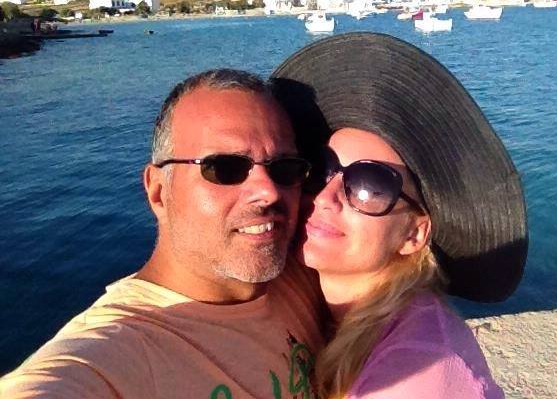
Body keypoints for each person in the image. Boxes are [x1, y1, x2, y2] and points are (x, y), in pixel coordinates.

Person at [1, 69, 325, 399]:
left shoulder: (308, 274)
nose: (268, 191)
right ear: (158, 191)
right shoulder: (114, 354)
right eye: (225, 168)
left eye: (285, 168)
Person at [271, 33, 528, 398]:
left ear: (414, 234)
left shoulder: (416, 371)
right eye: (322, 168)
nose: (326, 197)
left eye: (369, 186)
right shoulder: (362, 318)